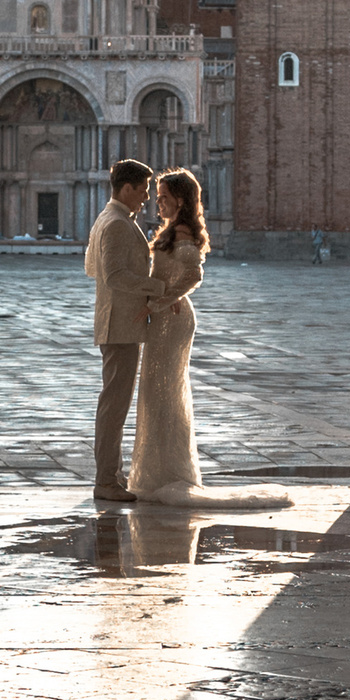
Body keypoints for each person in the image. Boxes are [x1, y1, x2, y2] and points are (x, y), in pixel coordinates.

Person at [129, 168, 290, 510]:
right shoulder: (173, 230)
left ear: (182, 200)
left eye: (164, 199)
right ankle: (156, 473)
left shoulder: (184, 232)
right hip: (164, 318)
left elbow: (193, 273)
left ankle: (167, 473)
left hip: (172, 320)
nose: (158, 204)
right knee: (157, 392)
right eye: (157, 198)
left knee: (164, 391)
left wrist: (161, 300)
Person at [84, 158, 153, 501]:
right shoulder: (115, 223)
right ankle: (106, 481)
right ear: (126, 188)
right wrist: (154, 286)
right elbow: (112, 275)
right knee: (114, 405)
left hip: (120, 323)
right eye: (142, 191)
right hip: (120, 327)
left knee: (115, 403)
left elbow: (92, 268)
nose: (146, 198)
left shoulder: (110, 218)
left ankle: (112, 475)